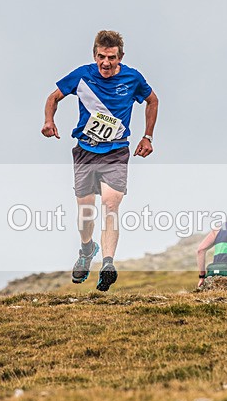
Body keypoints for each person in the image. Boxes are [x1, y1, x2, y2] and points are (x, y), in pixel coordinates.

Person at [42, 30, 159, 291]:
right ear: (94, 55)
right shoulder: (82, 75)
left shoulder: (133, 78)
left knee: (110, 204)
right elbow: (53, 98)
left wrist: (147, 136)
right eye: (101, 57)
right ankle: (87, 250)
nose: (106, 63)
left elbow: (152, 100)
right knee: (85, 211)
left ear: (121, 57)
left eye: (111, 58)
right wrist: (49, 121)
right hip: (85, 150)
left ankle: (108, 263)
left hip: (117, 151)